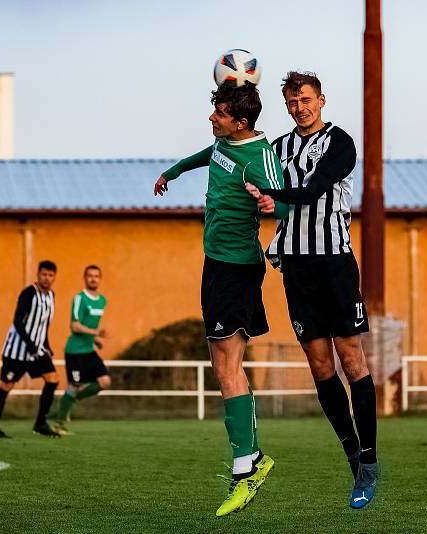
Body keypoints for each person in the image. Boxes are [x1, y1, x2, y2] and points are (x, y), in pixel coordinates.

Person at [244, 71, 379, 509]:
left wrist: (270, 193)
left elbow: (314, 188)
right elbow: (257, 181)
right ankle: (353, 458)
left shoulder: (341, 143)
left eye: (305, 99)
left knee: (351, 359)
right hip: (298, 270)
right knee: (321, 366)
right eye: (292, 102)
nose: (299, 107)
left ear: (321, 100)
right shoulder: (277, 148)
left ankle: (372, 458)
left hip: (335, 265)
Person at [153, 82, 287, 517]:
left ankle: (245, 469)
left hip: (237, 270)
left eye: (220, 114)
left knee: (229, 368)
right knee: (223, 366)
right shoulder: (223, 143)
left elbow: (285, 202)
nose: (212, 118)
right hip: (215, 265)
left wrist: (271, 203)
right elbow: (205, 156)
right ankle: (250, 460)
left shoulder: (260, 157)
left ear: (241, 122)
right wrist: (171, 172)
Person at [0, 260, 62, 438]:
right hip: (17, 351)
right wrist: (30, 345)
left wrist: (46, 346)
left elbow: (43, 326)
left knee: (53, 379)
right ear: (38, 275)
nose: (47, 278)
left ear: (54, 277)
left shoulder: (51, 296)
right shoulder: (29, 294)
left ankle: (40, 423)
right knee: (6, 386)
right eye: (44, 274)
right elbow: (18, 320)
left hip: (37, 351)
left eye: (51, 275)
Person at [51, 265, 110, 433]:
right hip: (75, 352)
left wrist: (95, 340)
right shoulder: (79, 299)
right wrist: (96, 332)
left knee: (104, 382)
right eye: (90, 276)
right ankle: (59, 423)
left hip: (89, 350)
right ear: (85, 278)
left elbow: (88, 326)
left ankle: (72, 400)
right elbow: (75, 326)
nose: (93, 279)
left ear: (100, 279)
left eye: (96, 276)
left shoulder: (102, 301)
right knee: (74, 385)